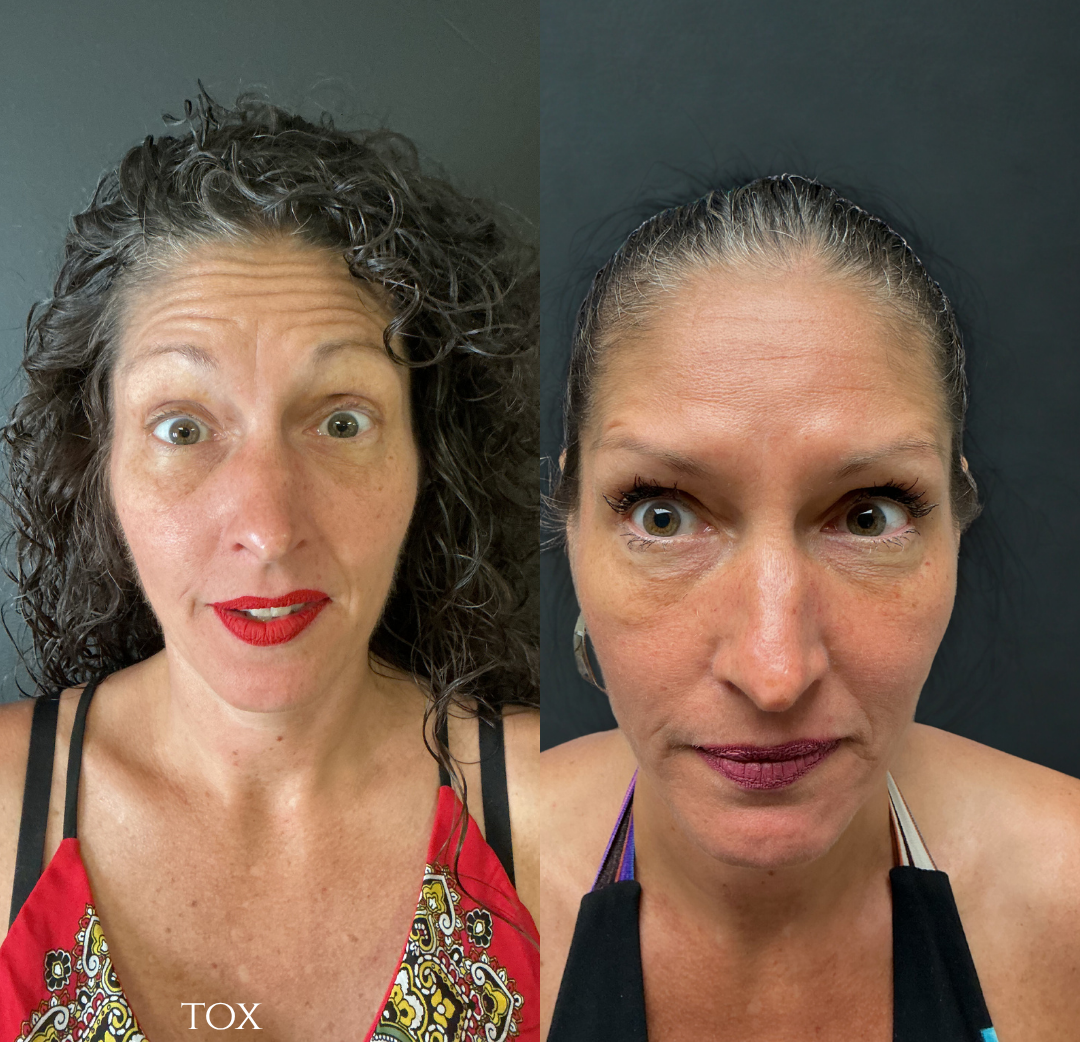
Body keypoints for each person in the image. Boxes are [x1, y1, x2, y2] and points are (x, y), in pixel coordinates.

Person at [0, 93, 540, 1040]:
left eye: (341, 421)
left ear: (428, 455)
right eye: (183, 428)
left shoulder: (584, 822)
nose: (269, 527)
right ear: (101, 466)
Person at [538, 176, 1080, 1041]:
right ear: (568, 521)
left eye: (869, 516)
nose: (774, 672)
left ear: (955, 518)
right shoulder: (454, 890)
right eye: (663, 515)